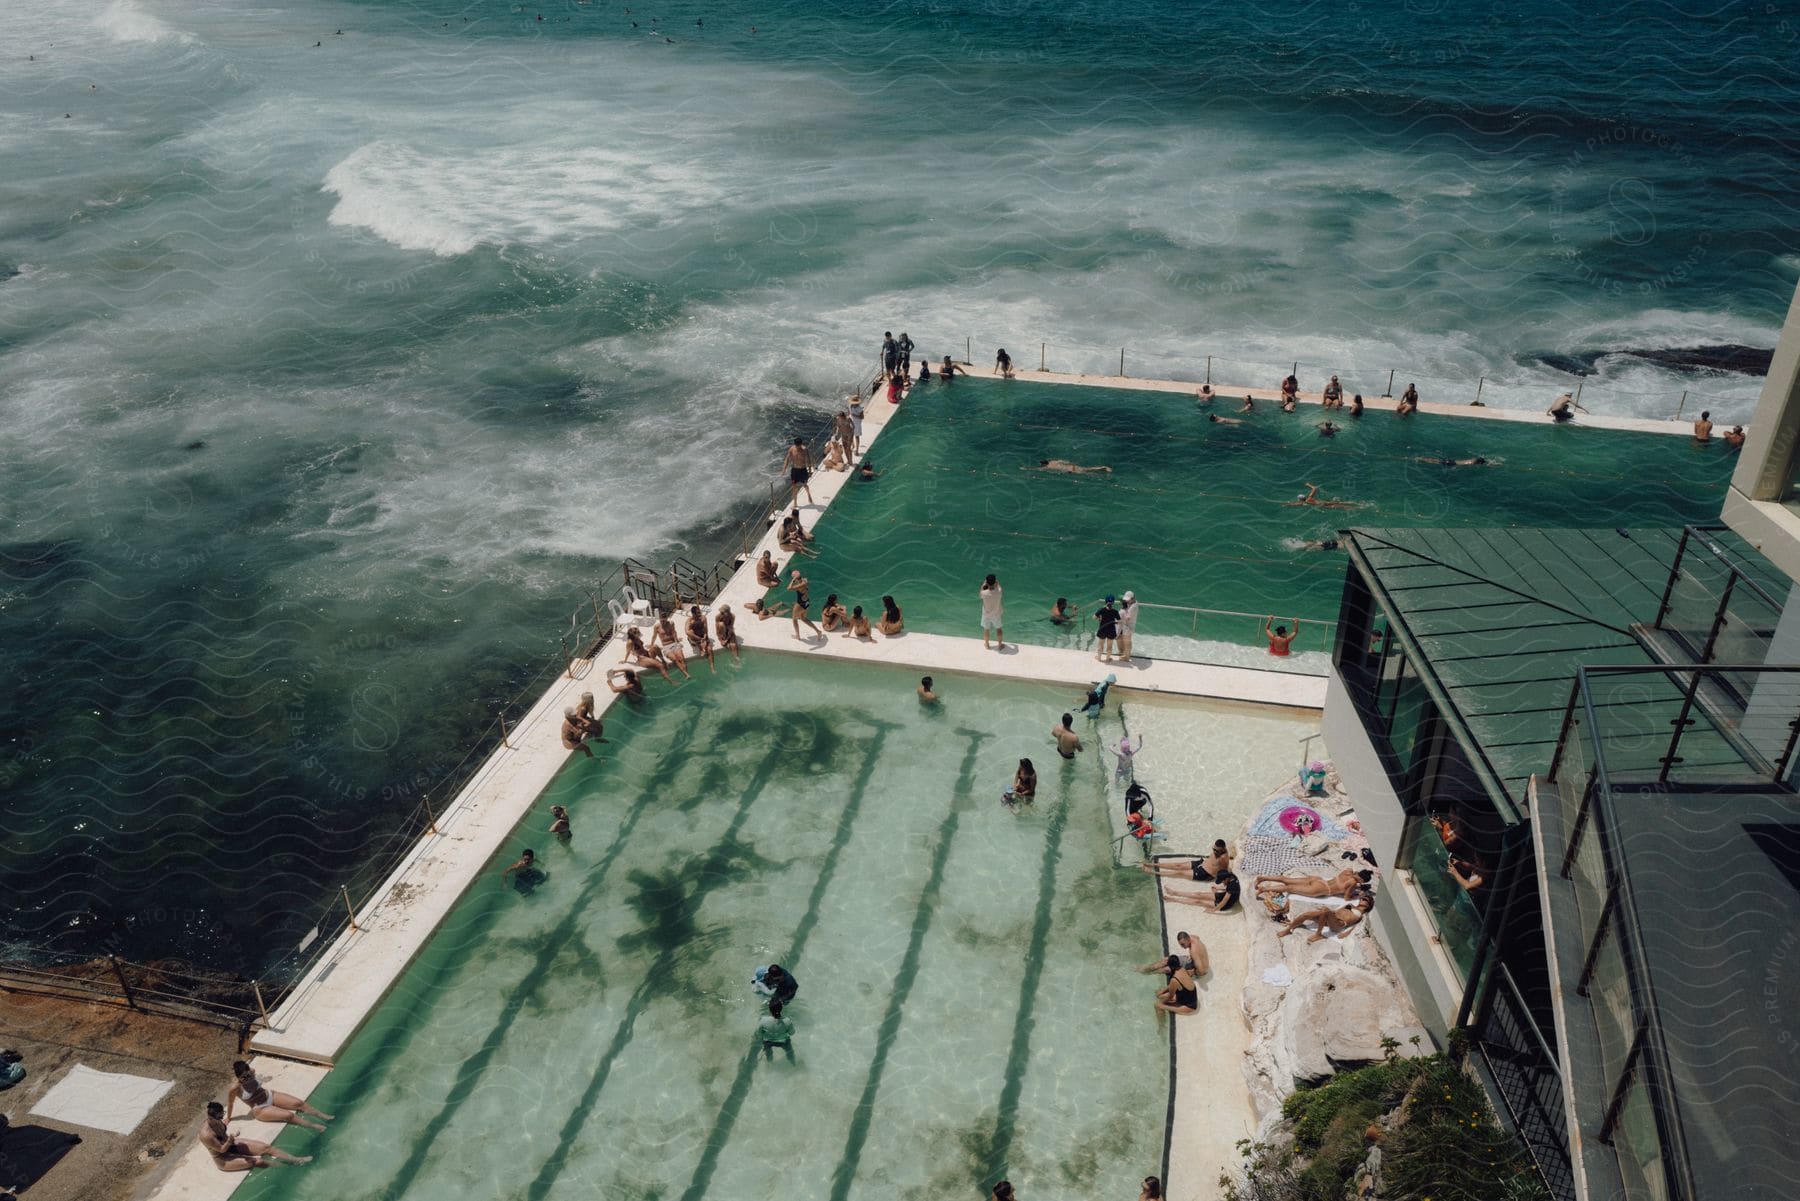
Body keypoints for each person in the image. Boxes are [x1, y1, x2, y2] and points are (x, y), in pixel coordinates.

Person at [201, 1102, 310, 1171]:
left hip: (231, 1144)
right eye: (221, 1114)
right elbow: (221, 1149)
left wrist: (229, 1119)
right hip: (223, 1158)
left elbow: (224, 1123)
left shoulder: (217, 1121)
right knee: (258, 1161)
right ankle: (285, 1168)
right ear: (212, 1117)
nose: (223, 1116)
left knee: (267, 1148)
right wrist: (230, 1139)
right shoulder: (206, 1135)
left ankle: (296, 1160)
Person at [228, 1061, 331, 1131]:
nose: (247, 1078)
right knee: (288, 1116)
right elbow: (230, 1103)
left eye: (248, 1075)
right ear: (238, 1077)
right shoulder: (235, 1088)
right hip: (260, 1108)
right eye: (243, 1078)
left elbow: (251, 1074)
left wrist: (250, 1075)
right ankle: (315, 1126)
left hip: (269, 1095)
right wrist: (228, 1118)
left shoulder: (252, 1071)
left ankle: (324, 1116)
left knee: (298, 1103)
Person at [1277, 894, 1373, 942]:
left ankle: (1318, 934)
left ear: (1368, 905)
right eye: (1362, 898)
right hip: (1331, 917)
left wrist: (1345, 934)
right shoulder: (1350, 904)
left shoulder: (1363, 915)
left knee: (1326, 911)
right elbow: (1336, 911)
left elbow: (1357, 926)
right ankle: (1288, 930)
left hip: (1339, 924)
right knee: (1305, 915)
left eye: (1365, 900)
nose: (1362, 899)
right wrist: (1324, 912)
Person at [1139, 843, 1231, 885]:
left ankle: (1153, 872)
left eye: (1216, 850)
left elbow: (1224, 870)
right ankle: (1152, 865)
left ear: (1222, 849)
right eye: (1213, 849)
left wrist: (1224, 881)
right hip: (1201, 863)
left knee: (1180, 873)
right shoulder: (1218, 851)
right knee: (1178, 865)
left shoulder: (1223, 858)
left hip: (1205, 873)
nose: (1214, 851)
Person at [1254, 868, 1373, 900]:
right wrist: (1358, 895)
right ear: (1362, 880)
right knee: (1289, 888)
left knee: (1287, 880)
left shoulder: (1348, 871)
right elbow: (1346, 898)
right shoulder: (1352, 883)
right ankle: (1263, 890)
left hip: (1319, 880)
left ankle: (1262, 878)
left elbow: (1344, 879)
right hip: (1320, 889)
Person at [1137, 929, 1207, 976]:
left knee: (1167, 969)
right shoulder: (1193, 937)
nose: (1182, 947)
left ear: (1188, 939)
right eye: (1180, 944)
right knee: (1166, 960)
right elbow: (1198, 937)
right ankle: (1147, 968)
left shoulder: (1193, 951)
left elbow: (1202, 971)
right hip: (1195, 961)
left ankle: (1148, 972)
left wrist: (1193, 972)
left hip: (1196, 966)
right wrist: (1193, 956)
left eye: (1183, 944)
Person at [1163, 870, 1241, 912]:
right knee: (1199, 894)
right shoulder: (1232, 877)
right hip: (1223, 895)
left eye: (1222, 881)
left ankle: (1173, 899)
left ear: (1226, 878)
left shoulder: (1232, 886)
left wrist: (1213, 910)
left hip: (1225, 905)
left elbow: (1224, 902)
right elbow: (1229, 890)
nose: (1222, 883)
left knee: (1198, 902)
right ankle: (1174, 892)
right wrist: (1219, 889)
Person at [652, 612, 694, 678]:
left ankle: (686, 673)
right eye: (661, 620)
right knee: (675, 659)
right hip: (666, 646)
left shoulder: (671, 624)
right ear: (659, 619)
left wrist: (677, 641)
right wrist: (651, 644)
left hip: (674, 643)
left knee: (681, 658)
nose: (662, 622)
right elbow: (654, 636)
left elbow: (674, 632)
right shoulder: (657, 626)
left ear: (667, 619)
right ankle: (686, 674)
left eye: (664, 620)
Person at [788, 570, 822, 639]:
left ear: (795, 578)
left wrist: (793, 581)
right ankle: (818, 631)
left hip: (800, 604)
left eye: (793, 577)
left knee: (794, 619)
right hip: (806, 602)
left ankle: (798, 636)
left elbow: (788, 588)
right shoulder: (805, 580)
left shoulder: (800, 585)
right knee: (803, 618)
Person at [783, 437, 814, 506]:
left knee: (804, 485)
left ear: (801, 444)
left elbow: (809, 461)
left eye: (799, 445)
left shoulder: (805, 449)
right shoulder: (792, 449)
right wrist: (784, 470)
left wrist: (809, 471)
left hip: (802, 469)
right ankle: (795, 502)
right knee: (794, 486)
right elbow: (787, 459)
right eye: (796, 445)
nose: (797, 447)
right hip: (794, 470)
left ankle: (809, 494)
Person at [979, 573, 1004, 649]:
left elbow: (981, 592)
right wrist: (998, 583)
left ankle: (987, 644)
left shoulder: (983, 593)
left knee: (986, 629)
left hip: (986, 615)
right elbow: (999, 587)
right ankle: (1000, 645)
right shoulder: (999, 592)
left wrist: (983, 584)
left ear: (987, 582)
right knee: (999, 629)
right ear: (995, 582)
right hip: (996, 614)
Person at [1289, 483, 1356, 509]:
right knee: (1339, 503)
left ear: (1300, 499)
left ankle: (1356, 508)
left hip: (1323, 505)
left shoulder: (1305, 502)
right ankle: (1354, 503)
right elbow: (1314, 488)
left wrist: (1287, 504)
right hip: (1323, 501)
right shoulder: (1309, 497)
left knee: (1340, 507)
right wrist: (1308, 484)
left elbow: (1295, 504)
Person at [1094, 595, 1120, 661]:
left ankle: (1099, 658)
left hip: (1102, 629)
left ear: (1105, 602)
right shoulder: (1115, 611)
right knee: (1109, 646)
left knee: (1100, 644)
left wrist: (1099, 618)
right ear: (1113, 602)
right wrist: (1115, 622)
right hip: (1111, 630)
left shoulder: (1101, 610)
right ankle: (1107, 659)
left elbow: (1094, 617)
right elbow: (1119, 621)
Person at [1117, 590, 1139, 659]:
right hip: (1124, 626)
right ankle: (1123, 653)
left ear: (1132, 599)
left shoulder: (1133, 607)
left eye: (1128, 600)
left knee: (1127, 642)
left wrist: (1118, 619)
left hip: (1128, 626)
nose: (1127, 601)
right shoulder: (1132, 602)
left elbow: (1128, 618)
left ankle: (1126, 656)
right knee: (1121, 639)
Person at [1027, 459, 1112, 474]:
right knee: (1088, 469)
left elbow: (1037, 469)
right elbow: (1065, 461)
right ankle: (1103, 467)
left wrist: (1026, 468)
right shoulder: (1054, 461)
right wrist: (1071, 463)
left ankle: (1102, 470)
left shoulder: (1048, 467)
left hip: (1072, 470)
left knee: (1088, 473)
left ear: (1044, 464)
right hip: (1072, 466)